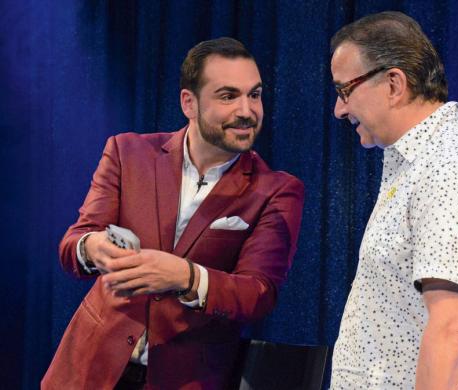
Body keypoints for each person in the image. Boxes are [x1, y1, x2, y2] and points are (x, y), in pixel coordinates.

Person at [42, 37, 304, 389]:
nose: (247, 110)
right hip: (89, 370)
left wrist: (187, 277)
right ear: (189, 103)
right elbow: (72, 245)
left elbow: (258, 293)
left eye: (254, 95)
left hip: (183, 378)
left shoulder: (277, 189)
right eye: (228, 96)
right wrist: (92, 248)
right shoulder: (127, 152)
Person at [329, 11, 458, 389]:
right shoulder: (417, 165)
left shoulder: (454, 164)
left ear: (394, 84)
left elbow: (453, 326)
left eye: (344, 90)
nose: (340, 109)